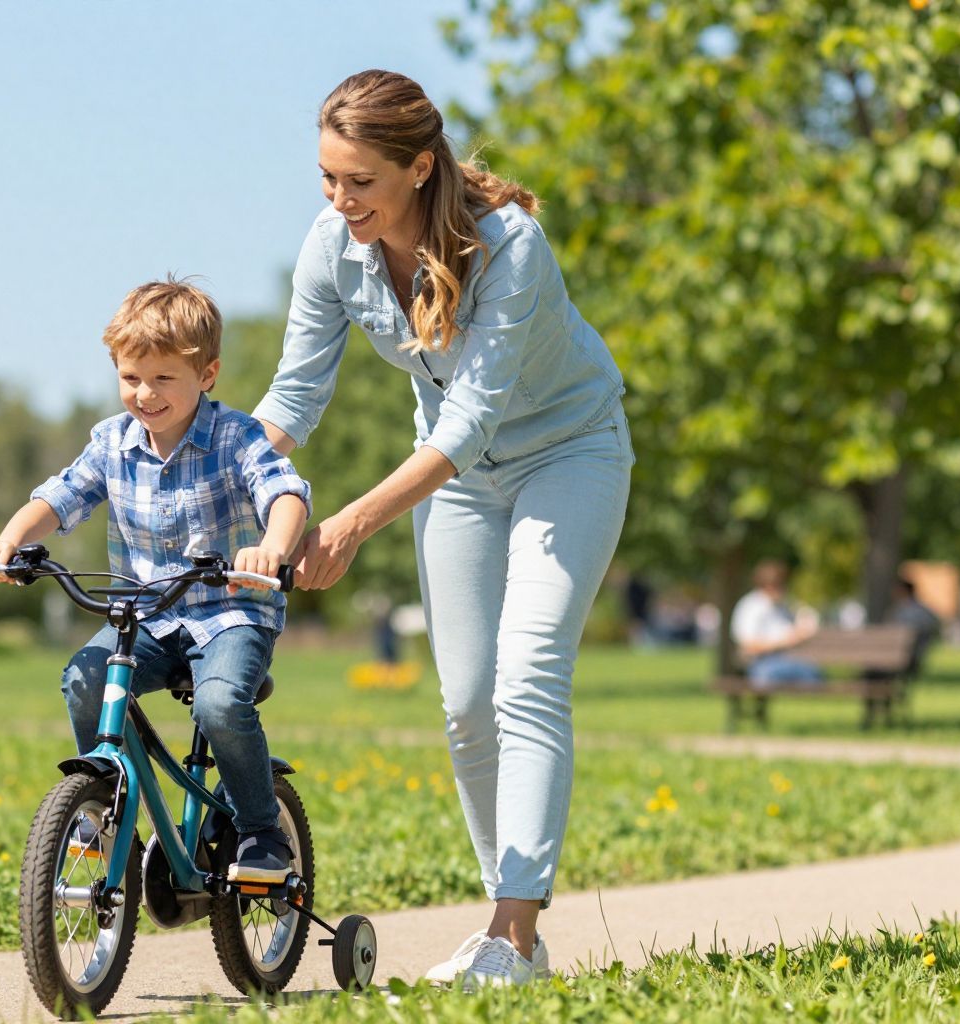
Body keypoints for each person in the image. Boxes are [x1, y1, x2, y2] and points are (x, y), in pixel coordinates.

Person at [251, 70, 633, 988]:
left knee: (529, 666)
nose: (341, 202)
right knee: (465, 703)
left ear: (420, 168)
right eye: (327, 179)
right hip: (458, 479)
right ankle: (511, 935)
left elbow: (470, 422)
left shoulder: (512, 246)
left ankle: (514, 932)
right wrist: (214, 475)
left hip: (566, 454)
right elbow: (294, 395)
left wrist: (349, 523)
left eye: (360, 183)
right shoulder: (333, 248)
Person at [0, 278, 311, 882]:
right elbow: (61, 495)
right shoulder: (111, 441)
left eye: (163, 379)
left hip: (231, 612)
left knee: (218, 703)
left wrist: (271, 548)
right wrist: (9, 541)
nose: (144, 394)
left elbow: (283, 491)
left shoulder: (236, 436)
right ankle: (107, 808)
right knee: (84, 679)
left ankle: (261, 829)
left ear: (206, 374)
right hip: (146, 616)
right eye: (131, 378)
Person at [729, 560, 822, 688]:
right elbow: (748, 646)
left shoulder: (784, 606)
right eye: (778, 585)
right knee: (769, 675)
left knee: (813, 674)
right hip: (762, 663)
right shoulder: (751, 606)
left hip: (789, 659)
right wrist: (784, 642)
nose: (782, 589)